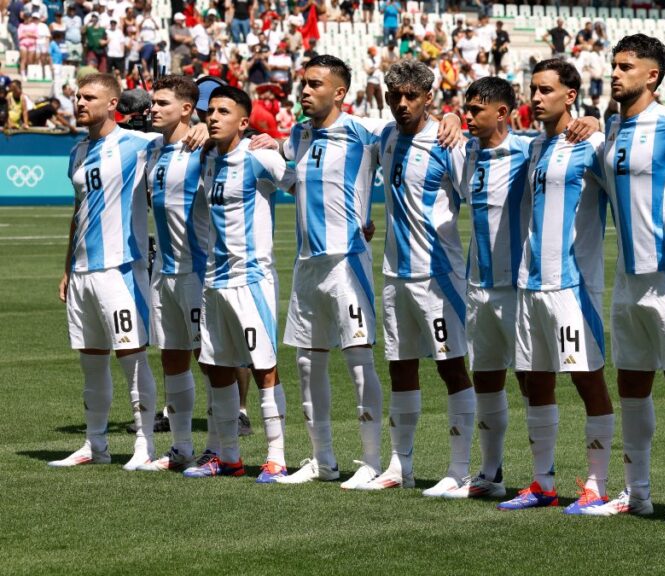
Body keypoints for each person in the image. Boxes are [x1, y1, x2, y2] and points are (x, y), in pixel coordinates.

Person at [575, 34, 665, 521]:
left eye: (626, 67)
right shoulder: (609, 127)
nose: (615, 73)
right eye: (614, 65)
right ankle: (638, 492)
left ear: (652, 76)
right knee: (631, 384)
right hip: (627, 278)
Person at [449, 77, 598, 499]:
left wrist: (590, 118)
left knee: (534, 378)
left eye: (477, 109)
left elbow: (571, 140)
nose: (468, 117)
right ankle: (490, 473)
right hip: (478, 286)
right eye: (466, 109)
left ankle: (550, 476)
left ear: (502, 113)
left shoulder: (527, 149)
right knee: (487, 377)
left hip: (521, 286)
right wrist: (445, 116)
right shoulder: (467, 151)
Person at [354, 60, 476, 494]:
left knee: (451, 368)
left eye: (411, 97)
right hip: (395, 274)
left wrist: (454, 118)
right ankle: (399, 466)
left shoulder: (448, 141)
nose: (401, 105)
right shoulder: (385, 136)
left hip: (438, 276)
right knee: (401, 368)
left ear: (428, 98)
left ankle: (459, 470)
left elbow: (475, 197)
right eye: (394, 97)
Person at [497, 58, 613, 513]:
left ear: (570, 95)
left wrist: (599, 120)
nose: (536, 97)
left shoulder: (595, 144)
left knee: (588, 381)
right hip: (531, 284)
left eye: (546, 90)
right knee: (534, 380)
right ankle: (543, 482)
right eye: (533, 89)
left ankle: (596, 485)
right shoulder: (533, 148)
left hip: (572, 286)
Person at [273, 55, 387, 486]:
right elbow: (291, 180)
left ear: (339, 92)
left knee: (358, 360)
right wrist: (268, 151)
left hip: (347, 261)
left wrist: (449, 118)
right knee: (306, 363)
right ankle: (322, 461)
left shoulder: (366, 131)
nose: (305, 90)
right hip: (307, 263)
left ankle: (373, 462)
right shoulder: (298, 134)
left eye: (315, 84)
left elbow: (416, 134)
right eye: (303, 82)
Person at [49, 73, 164, 470]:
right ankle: (94, 444)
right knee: (91, 360)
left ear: (113, 103)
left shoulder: (140, 143)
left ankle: (144, 444)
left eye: (89, 97)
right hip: (82, 272)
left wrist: (203, 126)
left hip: (121, 269)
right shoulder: (77, 152)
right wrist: (67, 268)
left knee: (132, 356)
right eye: (77, 97)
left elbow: (184, 134)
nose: (79, 103)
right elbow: (77, 213)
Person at [185, 85, 290, 481]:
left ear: (243, 122)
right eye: (209, 111)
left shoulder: (259, 158)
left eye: (222, 112)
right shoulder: (208, 157)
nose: (212, 117)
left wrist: (280, 144)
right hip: (215, 280)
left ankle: (276, 455)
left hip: (252, 280)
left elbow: (302, 185)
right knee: (217, 366)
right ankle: (226, 456)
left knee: (264, 367)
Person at [133, 75, 208, 472]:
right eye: (152, 103)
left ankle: (221, 449)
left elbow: (240, 133)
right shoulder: (150, 150)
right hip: (163, 272)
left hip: (198, 271)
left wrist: (204, 128)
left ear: (186, 108)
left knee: (211, 360)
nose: (153, 109)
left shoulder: (204, 147)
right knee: (172, 359)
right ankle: (180, 448)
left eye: (162, 103)